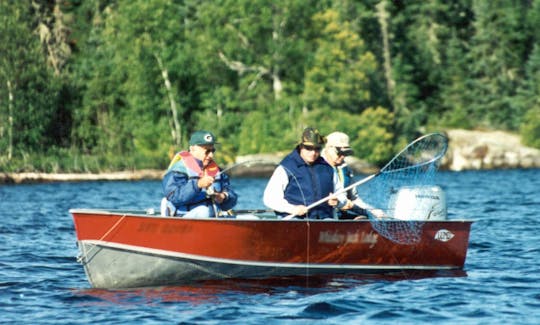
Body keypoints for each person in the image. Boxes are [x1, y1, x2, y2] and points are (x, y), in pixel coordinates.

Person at [263, 127, 346, 219]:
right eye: (308, 148)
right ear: (301, 147)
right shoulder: (285, 168)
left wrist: (338, 201)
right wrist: (292, 209)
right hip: (294, 221)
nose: (313, 153)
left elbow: (341, 195)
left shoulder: (328, 169)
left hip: (325, 221)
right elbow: (270, 199)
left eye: (317, 149)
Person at [161, 130, 237, 218]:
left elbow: (231, 196)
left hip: (214, 219)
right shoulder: (178, 171)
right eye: (207, 151)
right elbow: (174, 196)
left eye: (213, 151)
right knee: (203, 212)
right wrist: (198, 184)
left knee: (252, 218)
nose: (211, 155)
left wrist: (224, 196)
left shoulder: (218, 171)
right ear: (193, 149)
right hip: (183, 219)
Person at [321, 131, 386, 219]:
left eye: (345, 153)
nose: (343, 157)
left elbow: (354, 199)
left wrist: (371, 210)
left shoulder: (345, 169)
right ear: (328, 149)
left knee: (367, 218)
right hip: (324, 216)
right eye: (339, 153)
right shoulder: (317, 168)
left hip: (344, 213)